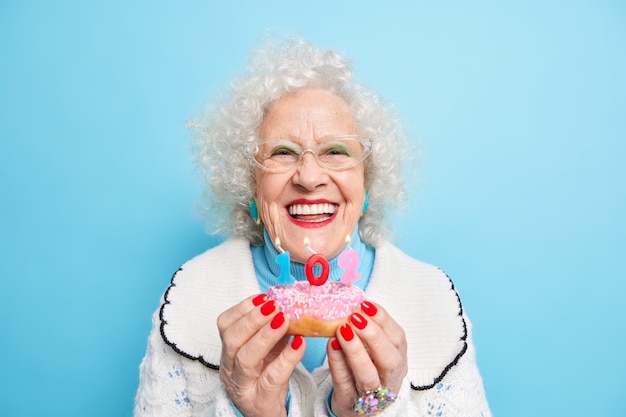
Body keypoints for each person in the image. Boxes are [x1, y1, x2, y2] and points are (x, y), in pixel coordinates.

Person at [134, 37, 491, 417]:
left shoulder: (431, 298)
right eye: (282, 152)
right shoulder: (191, 295)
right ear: (251, 187)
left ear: (366, 185)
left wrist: (376, 409)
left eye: (336, 151)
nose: (309, 176)